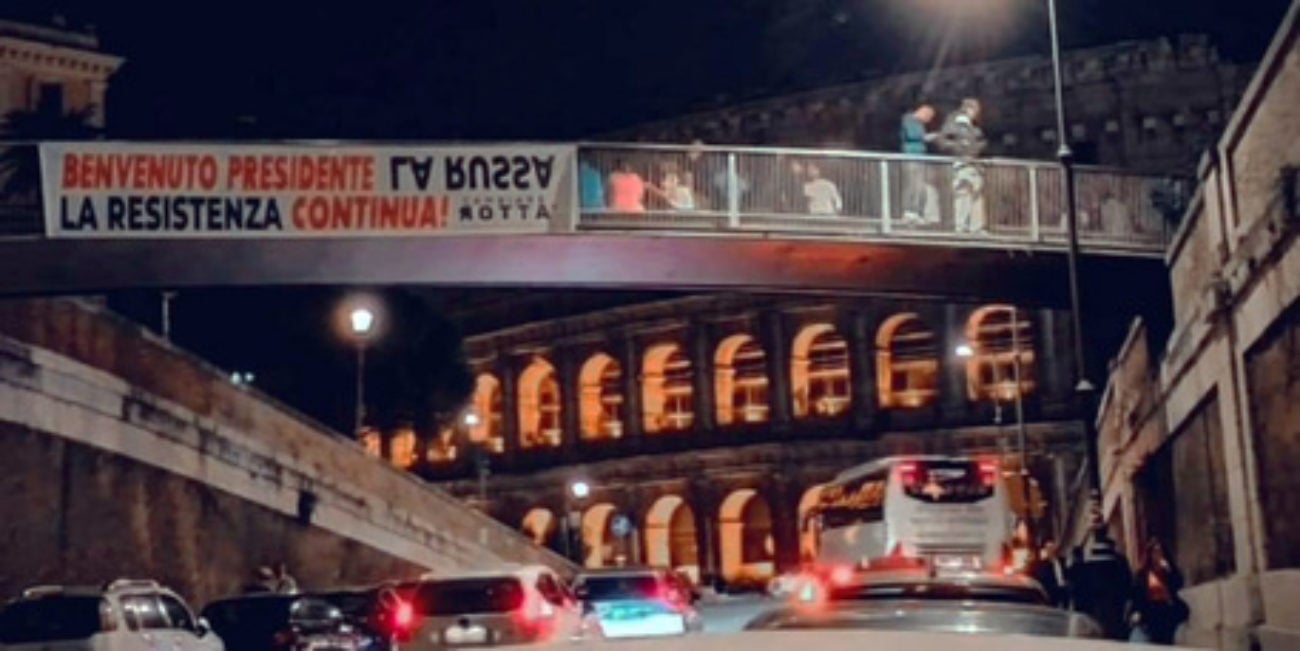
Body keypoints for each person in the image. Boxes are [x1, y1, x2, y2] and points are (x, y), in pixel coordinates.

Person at [1069, 526, 1133, 640]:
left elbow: (1077, 587)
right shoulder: (1119, 562)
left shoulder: (1087, 565)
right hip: (1115, 610)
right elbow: (1127, 585)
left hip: (1095, 610)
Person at [936, 98, 988, 234]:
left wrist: (979, 147)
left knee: (977, 195)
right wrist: (960, 147)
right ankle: (961, 225)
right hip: (961, 163)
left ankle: (976, 226)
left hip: (974, 164)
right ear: (968, 109)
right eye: (976, 110)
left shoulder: (973, 126)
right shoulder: (954, 123)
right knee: (963, 193)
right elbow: (942, 141)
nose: (977, 113)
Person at [1129, 538, 1189, 644]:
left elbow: (1178, 584)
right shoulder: (1143, 574)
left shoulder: (1168, 571)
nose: (1158, 554)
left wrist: (1169, 570)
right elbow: (1137, 594)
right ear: (1150, 554)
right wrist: (1136, 612)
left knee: (1167, 642)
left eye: (1160, 551)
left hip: (1166, 611)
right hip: (1150, 613)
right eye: (1155, 551)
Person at [900, 104, 940, 225]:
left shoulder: (919, 124)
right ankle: (908, 211)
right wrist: (927, 137)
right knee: (912, 185)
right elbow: (912, 135)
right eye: (929, 117)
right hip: (911, 156)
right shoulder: (909, 119)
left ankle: (916, 212)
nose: (928, 121)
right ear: (923, 112)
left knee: (919, 186)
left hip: (919, 157)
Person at [1030, 540, 1070, 608]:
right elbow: (1043, 577)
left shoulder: (1062, 561)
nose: (1051, 550)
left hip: (1063, 589)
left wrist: (1066, 582)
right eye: (1048, 548)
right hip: (1051, 590)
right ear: (1046, 550)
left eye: (1052, 548)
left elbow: (1067, 573)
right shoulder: (1043, 564)